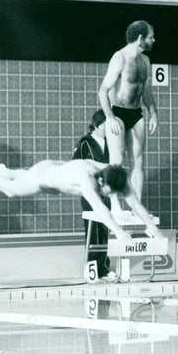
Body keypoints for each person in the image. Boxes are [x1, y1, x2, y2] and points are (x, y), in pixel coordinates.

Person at [0, 160, 163, 244]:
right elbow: (102, 210)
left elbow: (135, 203)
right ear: (101, 181)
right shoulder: (86, 179)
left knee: (21, 179)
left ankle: (7, 172)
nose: (107, 194)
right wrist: (119, 232)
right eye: (107, 191)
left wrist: (151, 225)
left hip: (55, 171)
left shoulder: (118, 175)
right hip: (43, 178)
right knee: (12, 191)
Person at [98, 20, 159, 211]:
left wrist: (154, 113)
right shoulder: (119, 59)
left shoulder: (146, 61)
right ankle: (116, 205)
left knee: (138, 161)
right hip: (117, 113)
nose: (154, 40)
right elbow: (102, 91)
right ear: (140, 38)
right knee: (116, 161)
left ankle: (136, 205)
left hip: (136, 113)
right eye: (151, 37)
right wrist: (109, 117)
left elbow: (146, 91)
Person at [71, 110, 116, 281]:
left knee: (105, 228)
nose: (106, 129)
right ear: (96, 124)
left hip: (106, 192)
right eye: (104, 125)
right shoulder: (85, 144)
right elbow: (74, 166)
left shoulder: (110, 144)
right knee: (93, 229)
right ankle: (93, 267)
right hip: (89, 192)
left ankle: (103, 267)